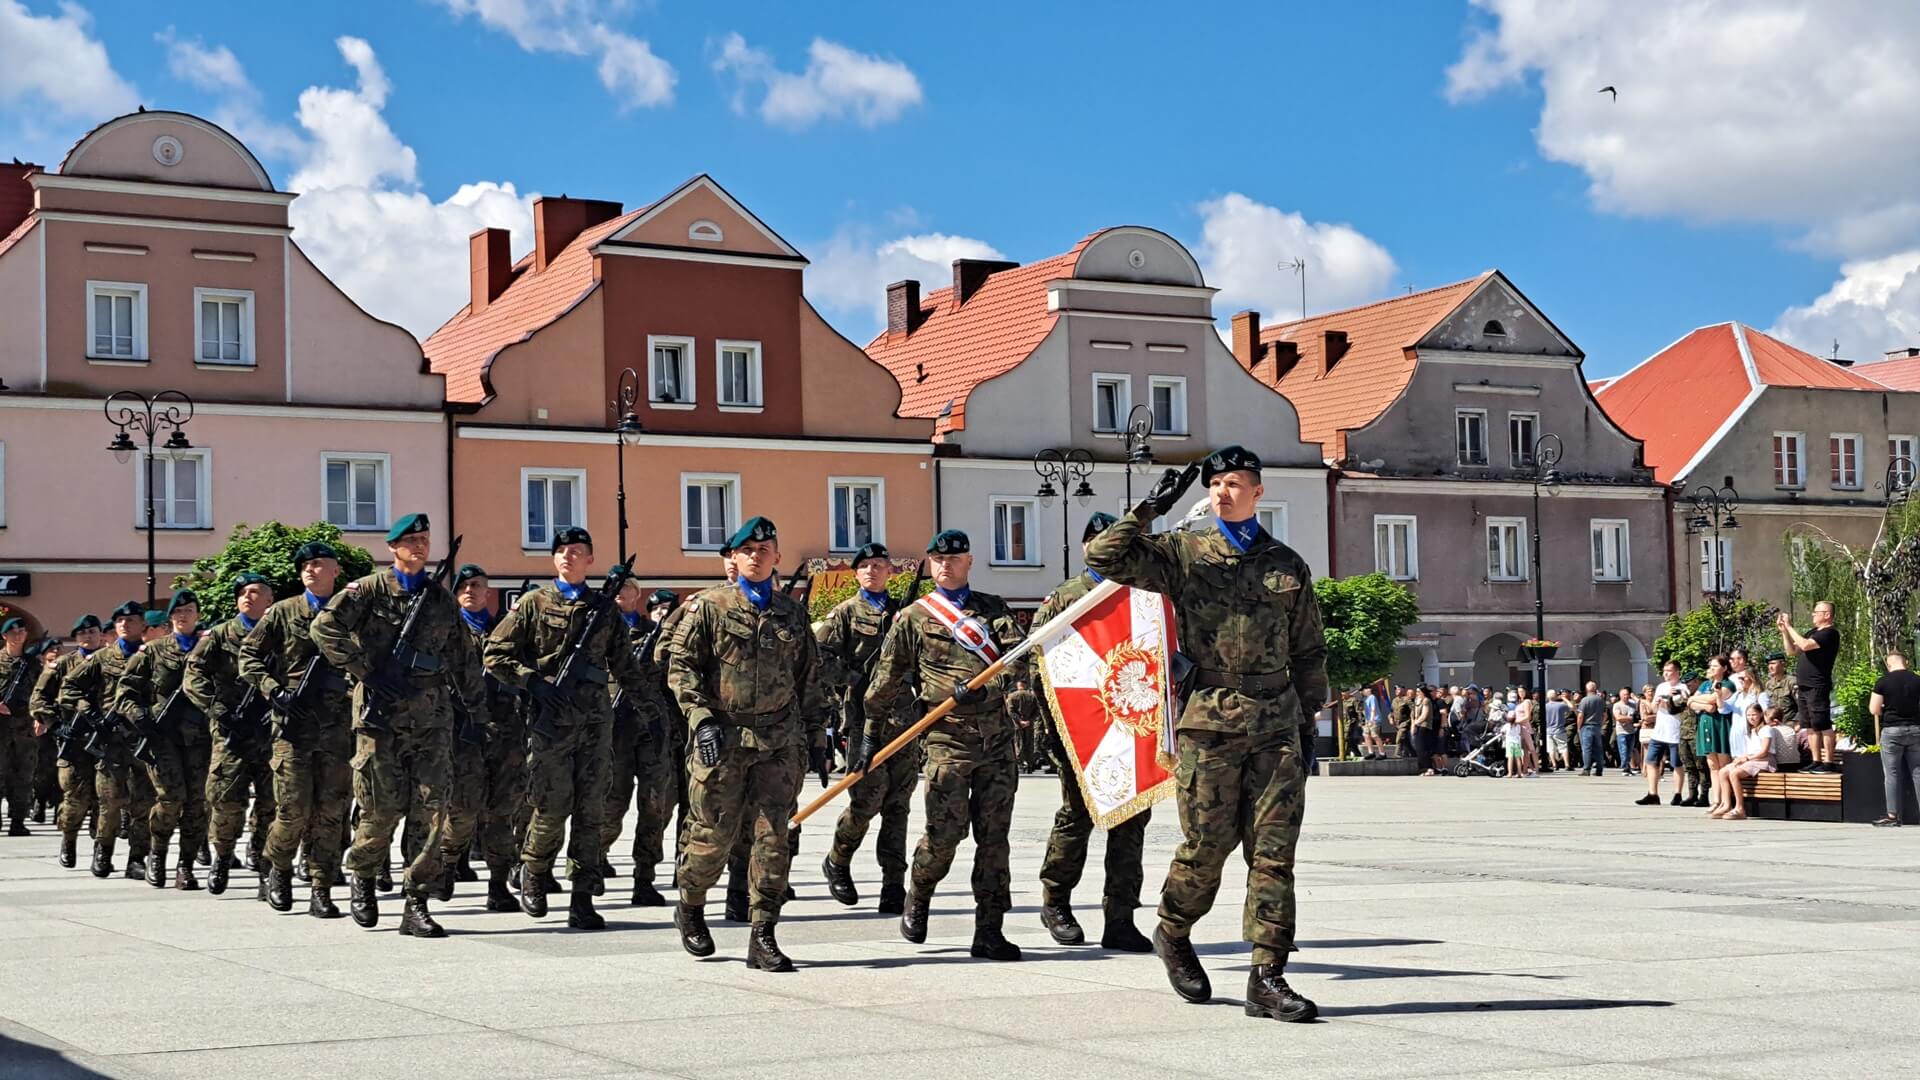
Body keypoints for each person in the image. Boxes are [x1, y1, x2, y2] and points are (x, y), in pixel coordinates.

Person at [1086, 446, 1328, 1023]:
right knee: (1206, 848)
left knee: (1274, 853)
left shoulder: (1287, 564)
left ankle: (1267, 977)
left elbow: (1309, 649)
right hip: (1209, 722)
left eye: (1235, 482)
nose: (1223, 491)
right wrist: (1150, 508)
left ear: (1258, 492)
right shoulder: (1181, 551)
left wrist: (1309, 718)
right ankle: (1172, 929)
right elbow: (1104, 557)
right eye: (1216, 483)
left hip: (1276, 722)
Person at [311, 513, 487, 938]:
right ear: (393, 547)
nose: (420, 547)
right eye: (412, 540)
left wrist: (479, 714)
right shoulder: (369, 590)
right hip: (380, 719)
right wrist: (366, 672)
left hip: (432, 721)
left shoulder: (440, 598)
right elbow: (324, 627)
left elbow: (463, 659)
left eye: (425, 539)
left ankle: (416, 902)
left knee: (431, 811)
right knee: (380, 809)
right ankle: (364, 878)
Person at [665, 517, 828, 971]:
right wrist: (700, 720)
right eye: (747, 550)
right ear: (732, 559)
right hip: (723, 736)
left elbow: (809, 679)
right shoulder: (708, 608)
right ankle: (692, 907)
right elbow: (681, 671)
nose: (756, 556)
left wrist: (817, 737)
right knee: (712, 835)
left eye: (766, 549)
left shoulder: (792, 612)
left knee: (774, 837)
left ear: (777, 558)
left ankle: (763, 934)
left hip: (778, 741)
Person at [863, 527, 1026, 963]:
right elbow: (886, 679)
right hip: (947, 742)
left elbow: (1016, 660)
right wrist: (868, 735)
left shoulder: (993, 610)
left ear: (969, 562)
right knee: (944, 834)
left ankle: (989, 929)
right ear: (929, 564)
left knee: (995, 840)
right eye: (937, 559)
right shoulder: (915, 617)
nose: (946, 565)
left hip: (995, 742)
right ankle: (919, 892)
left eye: (954, 559)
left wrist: (988, 691)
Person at [484, 526, 648, 931]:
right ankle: (534, 873)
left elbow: (626, 668)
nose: (569, 557)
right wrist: (532, 681)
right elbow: (495, 653)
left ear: (590, 560)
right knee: (551, 808)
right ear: (554, 559)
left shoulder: (604, 608)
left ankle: (583, 896)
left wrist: (653, 713)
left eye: (577, 552)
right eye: (562, 551)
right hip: (550, 724)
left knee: (590, 811)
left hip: (595, 722)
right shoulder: (533, 604)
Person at [1028, 512, 1154, 953]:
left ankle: (1120, 917)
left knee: (1130, 820)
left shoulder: (1144, 594)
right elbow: (1036, 666)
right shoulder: (1066, 597)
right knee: (1078, 816)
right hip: (1079, 729)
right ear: (1087, 548)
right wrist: (1054, 731)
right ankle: (1056, 901)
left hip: (1131, 725)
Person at [237, 542, 353, 917]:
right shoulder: (284, 612)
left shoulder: (352, 611)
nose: (309, 570)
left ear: (335, 571)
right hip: (293, 728)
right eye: (305, 565)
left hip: (336, 728)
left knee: (331, 812)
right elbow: (248, 657)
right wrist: (274, 691)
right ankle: (279, 870)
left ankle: (322, 886)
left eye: (318, 564)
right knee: (292, 811)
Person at [816, 542, 921, 916]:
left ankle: (893, 883)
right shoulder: (845, 613)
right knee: (867, 800)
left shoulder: (906, 613)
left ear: (890, 572)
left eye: (880, 565)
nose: (873, 571)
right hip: (863, 721)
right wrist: (854, 678)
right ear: (856, 574)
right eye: (866, 566)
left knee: (899, 805)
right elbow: (820, 658)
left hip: (905, 720)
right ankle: (838, 859)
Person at [186, 575, 281, 897]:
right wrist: (216, 709)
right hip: (231, 730)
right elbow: (193, 674)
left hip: (271, 731)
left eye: (256, 592)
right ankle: (223, 857)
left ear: (270, 600)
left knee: (273, 802)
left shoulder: (280, 632)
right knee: (225, 799)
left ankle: (263, 861)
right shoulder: (221, 635)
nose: (247, 597)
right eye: (242, 593)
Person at [116, 591, 208, 890]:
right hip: (162, 738)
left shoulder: (210, 648)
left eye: (189, 610)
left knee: (197, 803)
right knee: (170, 798)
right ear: (170, 618)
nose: (184, 615)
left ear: (198, 615)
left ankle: (186, 865)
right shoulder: (153, 651)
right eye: (178, 611)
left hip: (200, 738)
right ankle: (157, 854)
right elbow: (125, 691)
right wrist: (138, 715)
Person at [60, 601, 156, 880]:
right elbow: (69, 687)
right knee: (110, 800)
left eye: (131, 620)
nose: (125, 624)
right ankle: (103, 851)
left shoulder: (152, 654)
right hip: (110, 740)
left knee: (143, 801)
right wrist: (89, 712)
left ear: (143, 625)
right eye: (119, 621)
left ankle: (138, 857)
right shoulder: (102, 658)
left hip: (142, 739)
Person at [628, 587, 686, 905]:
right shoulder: (639, 641)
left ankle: (685, 868)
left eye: (669, 608)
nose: (663, 613)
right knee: (657, 807)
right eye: (657, 609)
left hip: (687, 735)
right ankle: (643, 873)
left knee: (694, 808)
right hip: (652, 737)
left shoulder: (689, 640)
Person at [36, 615, 102, 868]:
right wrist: (54, 723)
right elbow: (40, 698)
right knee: (74, 797)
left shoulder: (109, 661)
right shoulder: (62, 665)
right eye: (82, 633)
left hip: (102, 739)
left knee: (104, 798)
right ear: (76, 637)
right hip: (72, 740)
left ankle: (100, 847)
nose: (88, 636)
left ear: (100, 634)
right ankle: (69, 839)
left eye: (92, 631)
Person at [1779, 602, 1840, 772]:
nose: (1813, 615)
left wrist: (1791, 627)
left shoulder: (1829, 633)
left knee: (1822, 723)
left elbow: (1806, 645)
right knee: (1809, 725)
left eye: (1816, 612)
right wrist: (1785, 631)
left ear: (1827, 615)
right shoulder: (1813, 632)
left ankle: (1828, 761)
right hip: (1804, 685)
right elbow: (1792, 651)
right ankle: (1816, 760)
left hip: (1817, 684)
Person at [1871, 649, 1920, 827]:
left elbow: (1874, 709)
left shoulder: (1883, 682)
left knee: (1891, 774)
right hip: (1916, 730)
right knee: (1918, 773)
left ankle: (1892, 816)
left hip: (1891, 731)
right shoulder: (1917, 680)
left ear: (1889, 663)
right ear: (1905, 662)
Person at [0, 617, 36, 835]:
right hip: (0, 727)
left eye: (21, 631)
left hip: (24, 727)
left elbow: (43, 690)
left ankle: (18, 820)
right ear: (4, 636)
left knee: (23, 774)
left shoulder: (32, 663)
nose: (18, 635)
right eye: (12, 632)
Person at [1711, 703, 1775, 820]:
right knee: (1722, 772)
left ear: (1761, 714)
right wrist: (1741, 758)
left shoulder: (1766, 729)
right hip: (1751, 759)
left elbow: (1764, 752)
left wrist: (1747, 758)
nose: (1751, 718)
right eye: (1748, 715)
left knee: (1734, 773)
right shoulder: (1750, 730)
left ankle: (1740, 808)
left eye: (1754, 715)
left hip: (1764, 761)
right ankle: (1726, 804)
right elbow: (1749, 751)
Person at [1637, 662, 1686, 806]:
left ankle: (1677, 793)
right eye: (1664, 671)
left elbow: (1679, 706)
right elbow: (1653, 708)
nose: (1666, 674)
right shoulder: (1661, 687)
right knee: (1651, 761)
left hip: (1675, 730)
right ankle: (1653, 793)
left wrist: (1669, 700)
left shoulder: (1682, 688)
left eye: (1669, 671)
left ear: (1677, 672)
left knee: (1677, 763)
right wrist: (1657, 702)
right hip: (1659, 731)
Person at [1692, 656, 1735, 810]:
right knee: (1712, 764)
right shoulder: (1704, 684)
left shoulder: (1727, 684)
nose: (1711, 668)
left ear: (1724, 668)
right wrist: (1704, 705)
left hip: (1720, 725)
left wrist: (1702, 701)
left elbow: (1713, 699)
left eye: (1715, 666)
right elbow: (1691, 701)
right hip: (1705, 723)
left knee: (1723, 763)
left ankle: (1726, 800)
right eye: (1710, 666)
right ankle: (1716, 800)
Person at [1612, 688, 1639, 776]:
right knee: (1623, 749)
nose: (1626, 696)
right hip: (1621, 731)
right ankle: (1625, 767)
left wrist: (1634, 698)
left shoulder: (1633, 704)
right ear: (1620, 695)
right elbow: (1618, 718)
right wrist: (1630, 719)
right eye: (1624, 695)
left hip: (1631, 731)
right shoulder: (1617, 705)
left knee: (1629, 751)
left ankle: (1628, 767)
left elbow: (1638, 712)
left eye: (1627, 694)